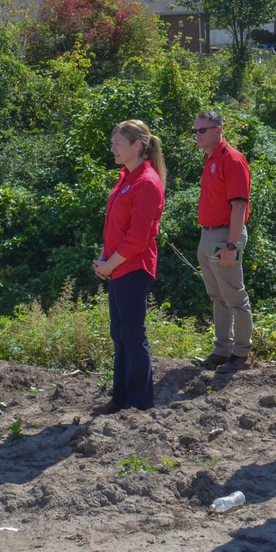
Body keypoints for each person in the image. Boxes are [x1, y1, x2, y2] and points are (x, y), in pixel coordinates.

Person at [91, 120, 166, 415]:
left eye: (117, 143)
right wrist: (103, 259)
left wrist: (110, 263)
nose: (112, 149)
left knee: (133, 334)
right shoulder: (126, 177)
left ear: (137, 146)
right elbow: (114, 226)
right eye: (112, 143)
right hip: (118, 267)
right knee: (119, 332)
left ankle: (138, 402)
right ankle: (120, 399)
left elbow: (137, 238)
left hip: (132, 269)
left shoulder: (147, 182)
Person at [193, 111, 253, 373]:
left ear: (218, 130)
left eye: (202, 131)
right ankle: (222, 349)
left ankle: (240, 354)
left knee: (235, 297)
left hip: (224, 234)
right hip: (208, 234)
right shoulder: (210, 159)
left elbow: (239, 206)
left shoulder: (232, 159)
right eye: (195, 131)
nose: (197, 135)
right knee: (217, 296)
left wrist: (231, 245)